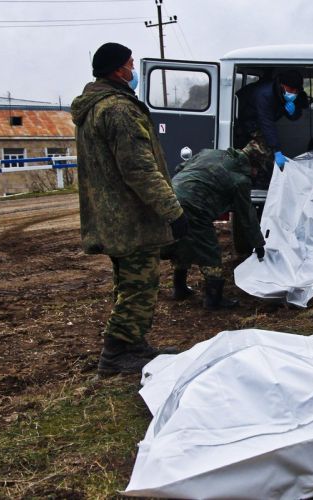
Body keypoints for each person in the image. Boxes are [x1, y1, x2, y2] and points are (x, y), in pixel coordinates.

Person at [71, 42, 188, 376]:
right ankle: (116, 355)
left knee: (128, 283)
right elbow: (139, 168)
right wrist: (173, 210)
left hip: (112, 217)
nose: (133, 70)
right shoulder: (119, 110)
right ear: (118, 69)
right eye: (130, 64)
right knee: (141, 285)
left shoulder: (93, 108)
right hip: (132, 218)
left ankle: (133, 343)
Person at [166, 145, 266, 310]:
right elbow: (246, 215)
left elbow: (180, 167)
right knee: (210, 251)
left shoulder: (210, 153)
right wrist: (258, 243)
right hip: (195, 207)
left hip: (171, 197)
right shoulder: (240, 180)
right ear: (251, 165)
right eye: (257, 170)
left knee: (181, 242)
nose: (255, 174)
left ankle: (179, 288)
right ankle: (214, 299)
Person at [232, 70, 309, 188]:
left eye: (296, 91)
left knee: (266, 150)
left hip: (262, 119)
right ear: (282, 85)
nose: (293, 93)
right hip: (246, 117)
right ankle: (236, 162)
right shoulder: (265, 94)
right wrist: (277, 150)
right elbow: (266, 123)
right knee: (265, 150)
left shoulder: (291, 93)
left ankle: (260, 177)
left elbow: (295, 114)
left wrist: (294, 112)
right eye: (290, 90)